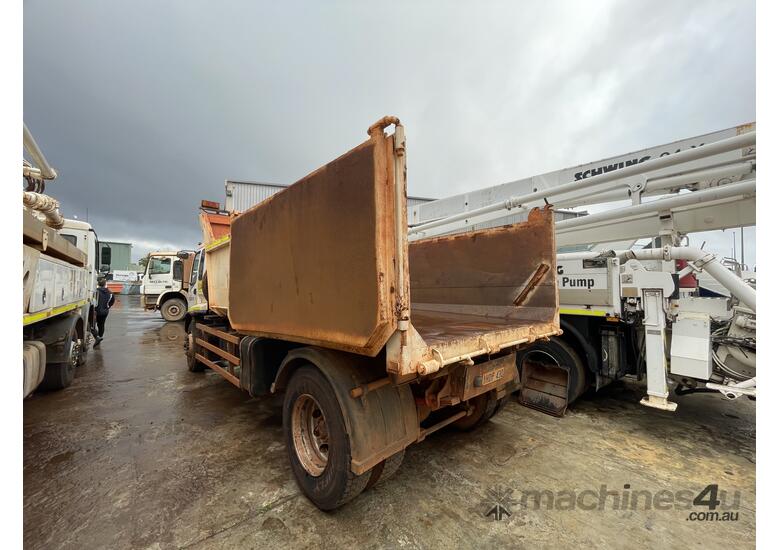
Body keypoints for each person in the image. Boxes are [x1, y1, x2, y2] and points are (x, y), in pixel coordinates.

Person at [93, 278, 115, 347]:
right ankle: (100, 337)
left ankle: (97, 337)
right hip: (105, 312)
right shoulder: (110, 293)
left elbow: (92, 301)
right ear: (105, 284)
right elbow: (112, 302)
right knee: (101, 325)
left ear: (98, 284)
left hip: (96, 311)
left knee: (91, 325)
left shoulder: (96, 292)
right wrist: (107, 307)